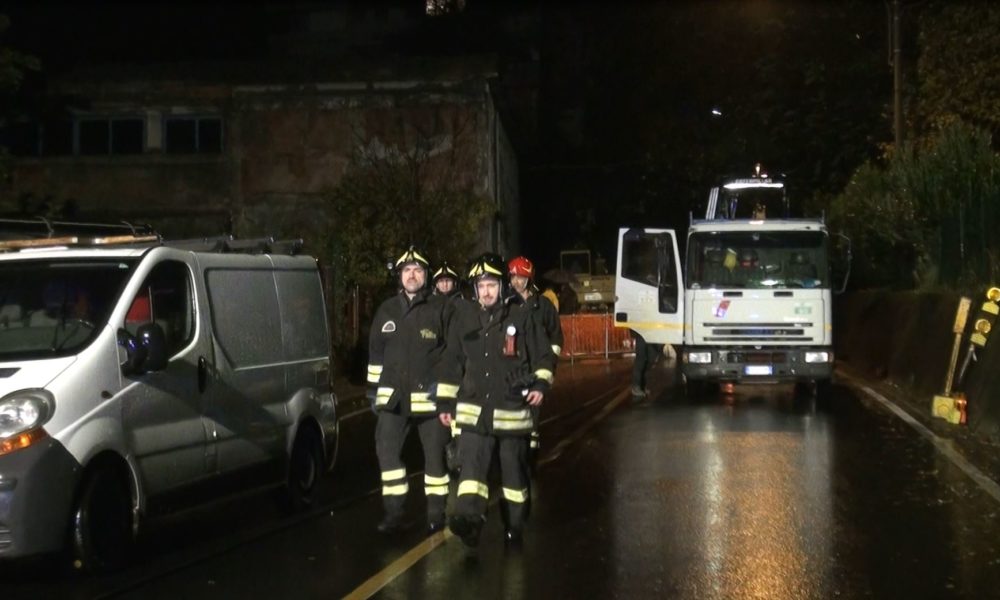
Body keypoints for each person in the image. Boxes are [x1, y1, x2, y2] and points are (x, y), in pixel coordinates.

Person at [435, 253, 555, 553]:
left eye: (491, 285)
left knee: (513, 474)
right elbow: (452, 362)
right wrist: (446, 403)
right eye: (481, 286)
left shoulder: (522, 315)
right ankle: (469, 522)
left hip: (512, 412)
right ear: (474, 289)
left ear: (502, 286)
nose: (486, 291)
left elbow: (544, 355)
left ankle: (514, 527)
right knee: (471, 471)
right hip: (474, 412)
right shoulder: (465, 319)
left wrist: (540, 384)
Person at [367, 246, 451, 535]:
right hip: (394, 400)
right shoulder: (387, 310)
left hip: (430, 400)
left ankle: (436, 514)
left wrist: (447, 395)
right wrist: (372, 392)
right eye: (407, 271)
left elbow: (451, 354)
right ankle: (394, 513)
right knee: (387, 454)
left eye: (417, 270)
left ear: (425, 276)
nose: (412, 275)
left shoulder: (439, 309)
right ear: (400, 276)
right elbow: (376, 354)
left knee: (435, 457)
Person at [508, 255, 563, 457]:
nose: (516, 282)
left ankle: (531, 443)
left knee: (533, 407)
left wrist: (551, 363)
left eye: (521, 277)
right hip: (514, 366)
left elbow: (556, 337)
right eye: (513, 277)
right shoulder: (507, 305)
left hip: (537, 366)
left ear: (529, 279)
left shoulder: (543, 306)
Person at [630, 330, 663, 403]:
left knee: (651, 359)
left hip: (654, 333)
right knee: (641, 359)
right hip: (642, 331)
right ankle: (636, 387)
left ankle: (642, 386)